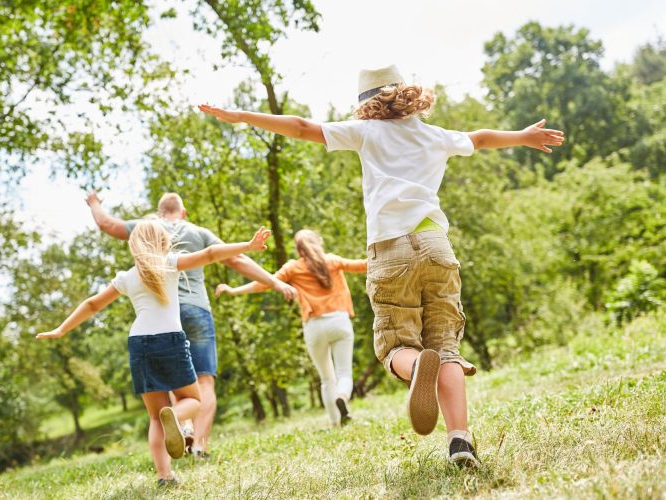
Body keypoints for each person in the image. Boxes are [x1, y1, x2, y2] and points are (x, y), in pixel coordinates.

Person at [198, 65, 564, 467]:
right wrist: (524, 137)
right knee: (446, 348)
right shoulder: (433, 134)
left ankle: (414, 366)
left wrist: (243, 116)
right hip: (436, 245)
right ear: (406, 94)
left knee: (394, 345)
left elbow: (303, 127)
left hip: (391, 250)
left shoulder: (367, 133)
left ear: (367, 104)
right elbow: (478, 138)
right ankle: (460, 441)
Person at [36, 221, 272, 486]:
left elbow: (92, 304)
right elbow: (209, 255)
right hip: (169, 340)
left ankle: (164, 476)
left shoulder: (126, 277)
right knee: (192, 400)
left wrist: (61, 329)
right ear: (163, 242)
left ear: (134, 246)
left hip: (139, 343)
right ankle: (177, 416)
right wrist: (247, 246)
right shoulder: (170, 263)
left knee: (154, 416)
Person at [85, 191, 296, 458]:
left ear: (159, 212)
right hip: (196, 310)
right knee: (203, 382)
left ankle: (183, 428)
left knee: (176, 381)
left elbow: (108, 225)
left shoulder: (146, 228)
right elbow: (234, 258)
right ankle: (199, 445)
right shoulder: (198, 231)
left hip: (161, 316)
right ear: (183, 212)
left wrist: (94, 204)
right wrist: (275, 282)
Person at [215, 229, 367, 427]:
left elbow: (265, 283)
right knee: (344, 374)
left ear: (298, 249)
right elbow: (364, 265)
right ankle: (342, 397)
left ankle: (334, 423)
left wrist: (234, 290)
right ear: (318, 242)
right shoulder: (333, 261)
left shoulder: (293, 268)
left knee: (326, 378)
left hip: (314, 326)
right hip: (339, 321)